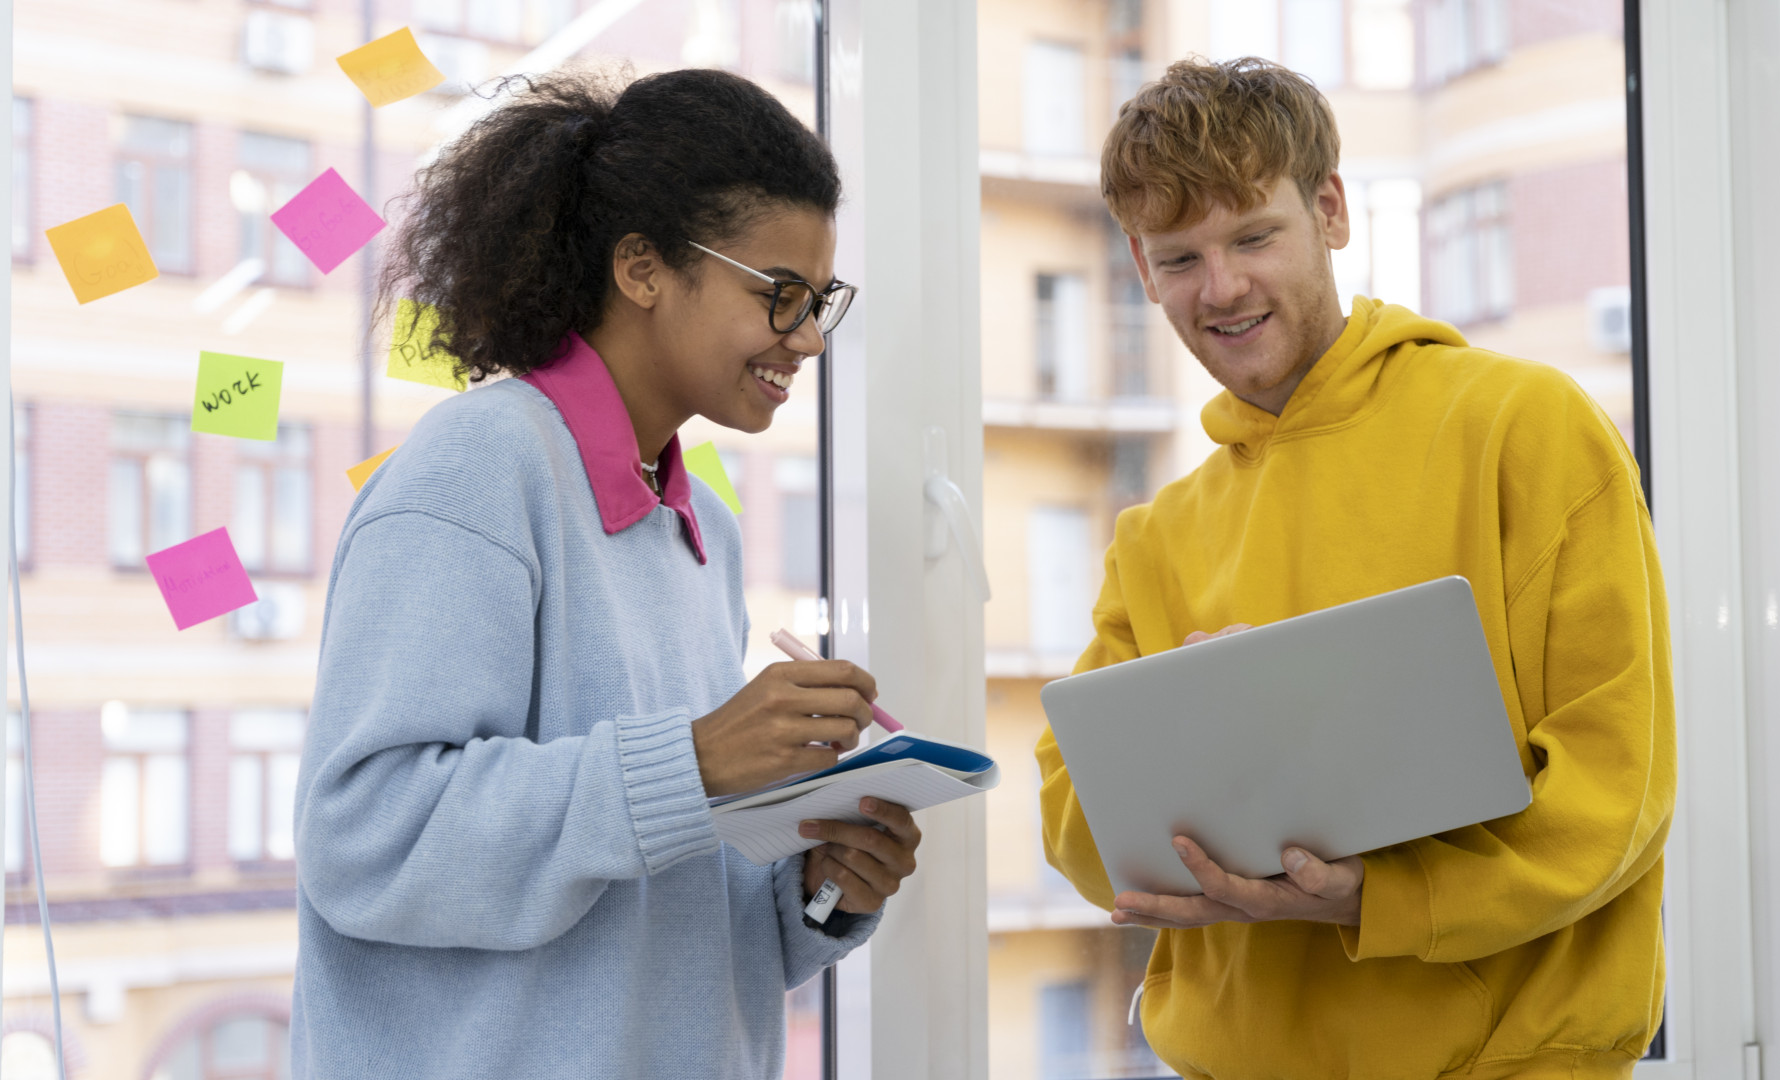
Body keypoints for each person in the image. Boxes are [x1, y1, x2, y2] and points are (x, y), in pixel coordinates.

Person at [1036, 58, 1675, 1079]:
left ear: (1330, 210)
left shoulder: (1524, 428)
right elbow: (1077, 824)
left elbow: (1617, 793)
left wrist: (1379, 895)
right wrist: (1213, 725)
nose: (1225, 287)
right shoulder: (1158, 535)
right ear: (1141, 267)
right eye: (1183, 256)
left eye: (1253, 236)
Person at [292, 68, 922, 1079]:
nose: (806, 337)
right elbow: (367, 840)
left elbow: (653, 908)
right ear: (642, 268)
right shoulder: (477, 473)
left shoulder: (697, 526)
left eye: (820, 301)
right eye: (780, 295)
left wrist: (819, 886)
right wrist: (697, 760)